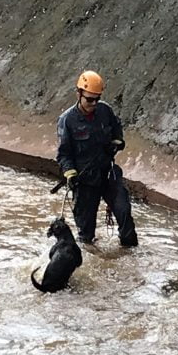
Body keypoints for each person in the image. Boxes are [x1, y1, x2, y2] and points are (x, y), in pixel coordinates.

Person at [56, 70, 139, 247]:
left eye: (97, 99)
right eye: (89, 99)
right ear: (79, 94)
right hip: (85, 182)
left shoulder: (105, 111)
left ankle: (131, 253)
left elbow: (118, 132)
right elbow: (64, 154)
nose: (94, 103)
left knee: (124, 213)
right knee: (85, 235)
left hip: (108, 174)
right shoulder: (67, 120)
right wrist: (70, 174)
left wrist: (116, 143)